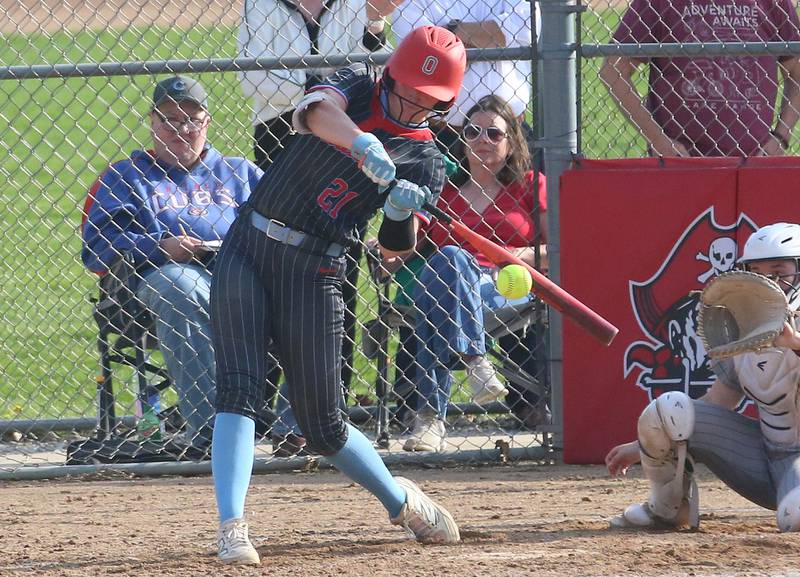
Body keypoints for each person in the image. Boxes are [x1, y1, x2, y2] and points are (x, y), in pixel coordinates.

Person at [210, 25, 467, 565]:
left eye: (430, 101)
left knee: (322, 425)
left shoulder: (427, 161)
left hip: (317, 268)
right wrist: (361, 141)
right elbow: (311, 114)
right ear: (391, 73)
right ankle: (232, 528)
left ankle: (401, 502)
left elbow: (398, 246)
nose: (416, 106)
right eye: (408, 92)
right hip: (249, 245)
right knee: (239, 388)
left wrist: (398, 210)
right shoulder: (356, 86)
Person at [81, 76, 263, 452]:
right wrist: (160, 247)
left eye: (192, 120)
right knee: (180, 285)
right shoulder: (125, 176)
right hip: (158, 282)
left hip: (239, 275)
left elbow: (281, 225)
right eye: (170, 120)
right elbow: (97, 247)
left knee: (309, 285)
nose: (182, 129)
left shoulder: (241, 172)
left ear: (207, 122)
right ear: (152, 122)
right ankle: (215, 436)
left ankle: (300, 429)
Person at [606, 222, 800, 532]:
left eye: (779, 271)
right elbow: (718, 401)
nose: (770, 282)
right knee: (669, 409)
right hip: (764, 457)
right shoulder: (743, 326)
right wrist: (640, 445)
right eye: (759, 272)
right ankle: (667, 508)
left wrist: (794, 344)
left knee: (796, 516)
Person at [389, 94, 548, 452]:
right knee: (450, 259)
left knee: (439, 297)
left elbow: (558, 250)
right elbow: (404, 249)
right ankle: (476, 358)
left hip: (506, 284)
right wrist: (388, 235)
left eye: (494, 134)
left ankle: (430, 420)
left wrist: (509, 254)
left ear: (511, 143)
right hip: (449, 281)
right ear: (462, 141)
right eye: (473, 132)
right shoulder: (442, 192)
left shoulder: (528, 185)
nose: (482, 140)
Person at [600, 0, 800, 157]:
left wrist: (781, 137)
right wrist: (658, 140)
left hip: (753, 164)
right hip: (681, 164)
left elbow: (797, 74)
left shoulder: (772, 2)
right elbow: (613, 71)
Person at [392, 0, 536, 162]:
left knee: (535, 185)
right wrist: (494, 34)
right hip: (444, 136)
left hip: (508, 132)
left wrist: (452, 31)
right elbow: (425, 54)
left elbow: (528, 28)